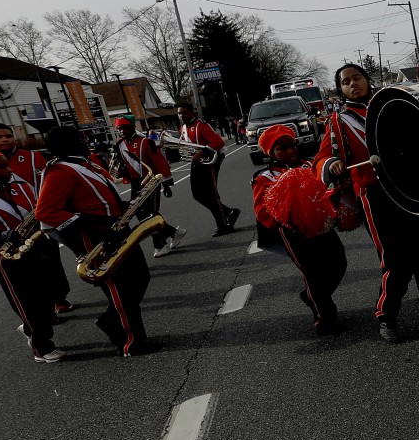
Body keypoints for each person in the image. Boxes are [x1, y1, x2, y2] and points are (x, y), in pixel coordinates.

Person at [313, 63, 419, 343]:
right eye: (345, 82)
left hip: (410, 189)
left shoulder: (393, 106)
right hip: (374, 195)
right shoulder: (339, 121)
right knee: (395, 259)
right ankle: (386, 315)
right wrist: (331, 163)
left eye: (357, 78)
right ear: (340, 89)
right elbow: (320, 159)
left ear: (367, 81)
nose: (352, 84)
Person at [35, 125, 153, 358]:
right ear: (69, 144)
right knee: (119, 287)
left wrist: (123, 207)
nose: (85, 141)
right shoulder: (59, 171)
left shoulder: (85, 164)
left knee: (140, 276)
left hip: (115, 228)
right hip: (97, 236)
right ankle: (130, 342)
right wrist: (89, 225)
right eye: (80, 138)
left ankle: (111, 321)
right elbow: (45, 212)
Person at [253, 125, 347, 335]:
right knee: (312, 273)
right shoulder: (265, 177)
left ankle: (312, 295)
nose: (290, 151)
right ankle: (325, 319)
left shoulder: (310, 165)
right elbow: (262, 212)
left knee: (339, 262)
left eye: (291, 146)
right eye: (282, 148)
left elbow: (327, 188)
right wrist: (289, 217)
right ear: (271, 153)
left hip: (322, 226)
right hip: (294, 232)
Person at [0, 148, 65, 362]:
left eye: (7, 164)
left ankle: (30, 328)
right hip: (7, 255)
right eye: (1, 166)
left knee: (47, 297)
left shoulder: (22, 186)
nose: (9, 169)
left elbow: (39, 210)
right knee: (27, 302)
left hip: (36, 247)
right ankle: (42, 348)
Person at [0, 122, 76, 316]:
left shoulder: (34, 157)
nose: (4, 140)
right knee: (26, 273)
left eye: (8, 136)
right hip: (9, 228)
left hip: (40, 220)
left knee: (51, 261)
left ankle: (59, 298)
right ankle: (40, 313)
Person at [113, 117, 186, 257]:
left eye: (125, 127)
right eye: (119, 129)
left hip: (151, 181)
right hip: (135, 183)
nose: (122, 131)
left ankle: (161, 244)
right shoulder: (119, 145)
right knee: (140, 214)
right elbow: (121, 164)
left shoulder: (145, 142)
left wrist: (167, 184)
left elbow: (160, 163)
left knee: (150, 213)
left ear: (132, 127)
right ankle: (173, 232)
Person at [175, 102, 240, 237]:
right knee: (197, 194)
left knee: (210, 193)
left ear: (191, 113)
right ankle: (228, 212)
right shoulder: (183, 128)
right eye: (179, 113)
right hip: (197, 163)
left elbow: (219, 142)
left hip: (210, 162)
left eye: (184, 113)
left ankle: (223, 224)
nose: (181, 115)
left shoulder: (201, 125)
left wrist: (202, 152)